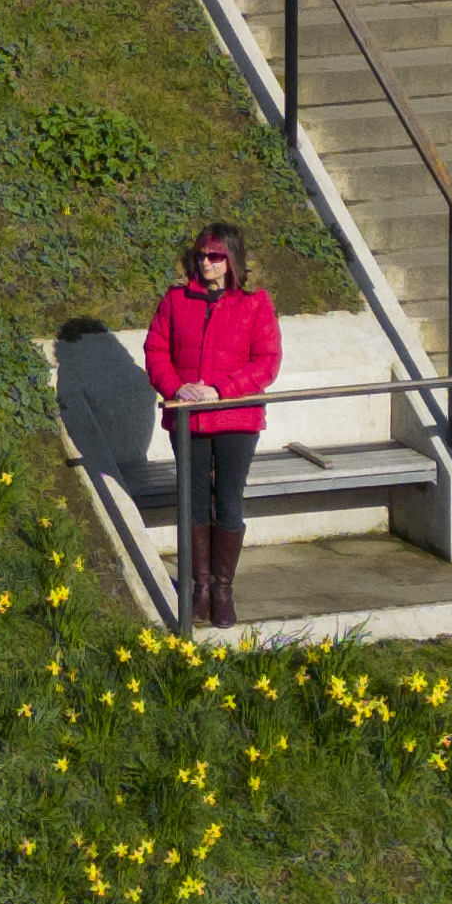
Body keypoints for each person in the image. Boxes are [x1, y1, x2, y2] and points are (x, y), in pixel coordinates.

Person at [142, 220, 281, 627]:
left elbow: (266, 362)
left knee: (230, 503)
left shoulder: (255, 303)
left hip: (236, 417)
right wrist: (176, 387)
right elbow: (156, 349)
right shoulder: (175, 299)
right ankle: (199, 586)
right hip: (188, 419)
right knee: (194, 501)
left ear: (232, 260)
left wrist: (220, 390)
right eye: (202, 255)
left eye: (216, 256)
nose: (207, 263)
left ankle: (223, 588)